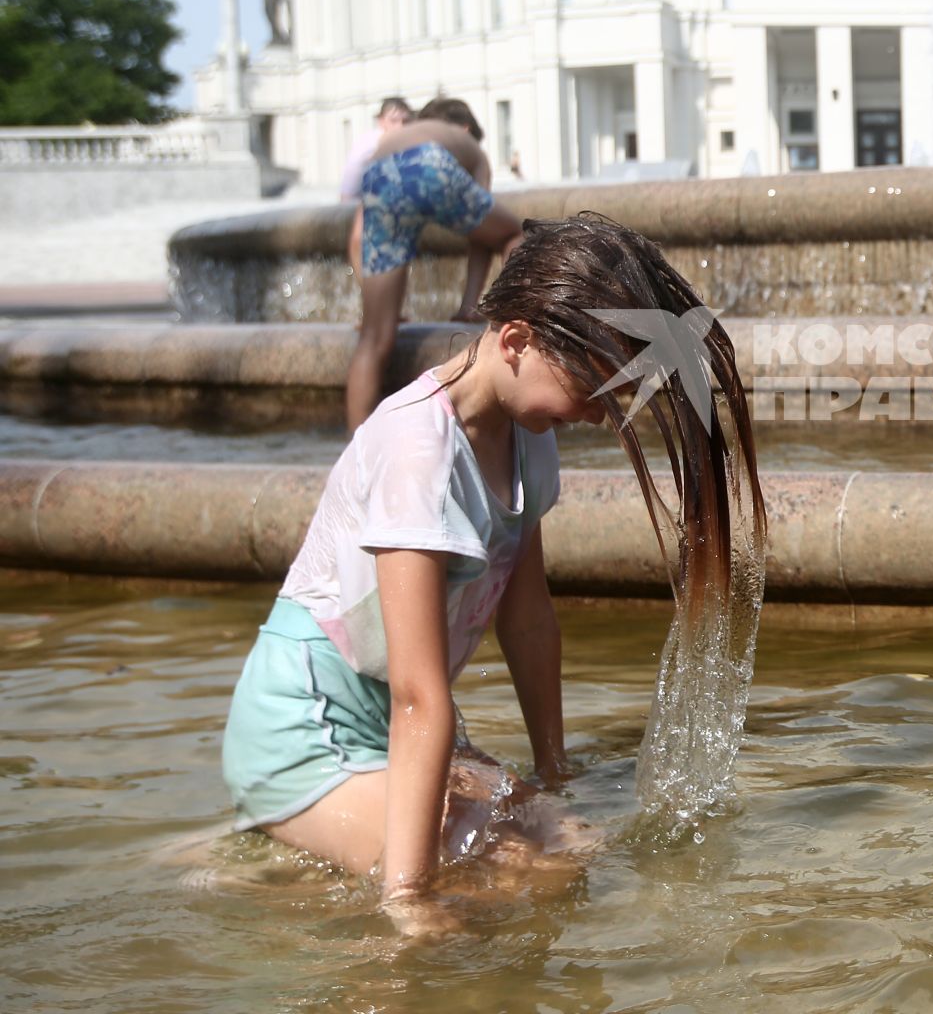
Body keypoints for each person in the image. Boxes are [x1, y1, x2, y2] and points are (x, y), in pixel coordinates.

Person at [222, 214, 766, 933]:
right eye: (594, 389)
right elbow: (420, 698)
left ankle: (280, 849)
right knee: (492, 882)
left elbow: (528, 616)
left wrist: (552, 770)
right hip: (306, 734)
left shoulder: (526, 436)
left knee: (574, 847)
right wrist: (410, 905)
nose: (606, 417)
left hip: (391, 726)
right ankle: (280, 847)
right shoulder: (417, 449)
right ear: (515, 342)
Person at [346, 97, 523, 432]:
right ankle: (515, 318)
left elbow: (356, 240)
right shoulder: (474, 150)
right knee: (512, 233)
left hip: (377, 174)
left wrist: (377, 305)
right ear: (468, 128)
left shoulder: (393, 139)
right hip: (427, 165)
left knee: (374, 339)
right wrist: (469, 305)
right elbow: (482, 239)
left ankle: (356, 451)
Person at [341, 98, 415, 281]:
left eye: (404, 121)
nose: (400, 126)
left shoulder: (410, 140)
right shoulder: (370, 141)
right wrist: (347, 199)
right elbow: (352, 172)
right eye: (394, 120)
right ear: (381, 121)